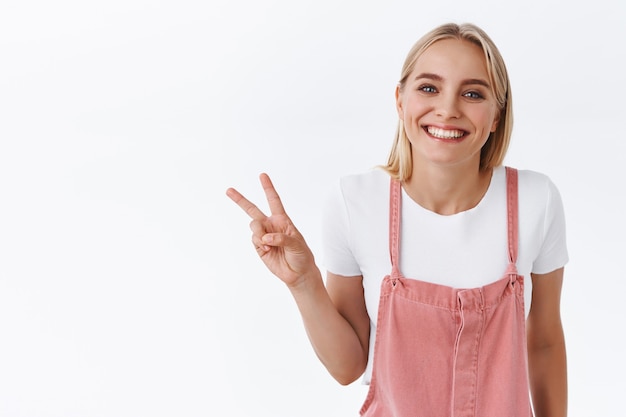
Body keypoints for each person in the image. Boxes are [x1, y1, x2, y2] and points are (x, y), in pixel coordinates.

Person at [226, 22, 568, 417]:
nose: (448, 108)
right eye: (428, 88)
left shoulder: (535, 201)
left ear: (496, 116)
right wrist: (303, 283)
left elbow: (543, 342)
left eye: (473, 93)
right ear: (400, 100)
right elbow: (347, 366)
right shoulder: (355, 202)